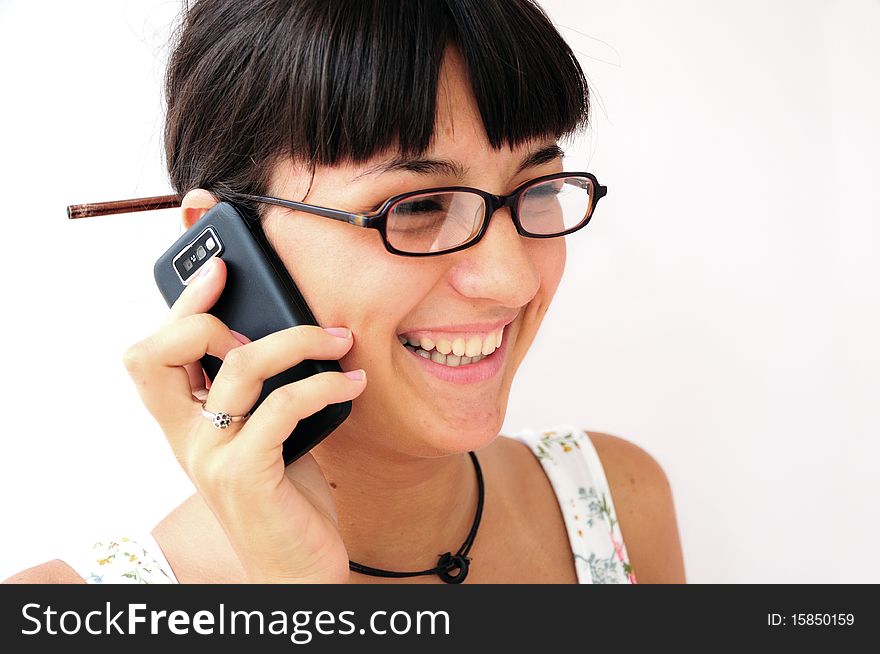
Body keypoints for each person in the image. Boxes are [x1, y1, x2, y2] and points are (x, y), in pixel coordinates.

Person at [5, 0, 684, 584]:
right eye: (418, 206)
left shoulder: (612, 498)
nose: (513, 278)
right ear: (221, 248)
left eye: (536, 187)